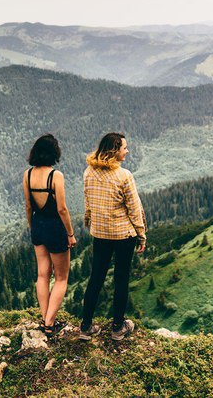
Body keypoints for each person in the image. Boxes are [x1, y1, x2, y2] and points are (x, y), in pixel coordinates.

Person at [79, 132, 147, 341]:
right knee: (121, 278)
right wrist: (141, 234)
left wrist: (90, 221)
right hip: (123, 235)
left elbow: (88, 201)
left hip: (100, 234)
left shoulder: (89, 172)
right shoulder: (124, 175)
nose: (127, 151)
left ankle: (86, 326)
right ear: (115, 150)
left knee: (96, 277)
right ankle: (118, 327)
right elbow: (134, 208)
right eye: (124, 148)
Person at [23, 133, 77, 339]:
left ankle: (45, 318)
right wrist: (70, 234)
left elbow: (29, 206)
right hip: (55, 227)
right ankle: (49, 324)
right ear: (55, 153)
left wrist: (33, 227)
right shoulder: (56, 176)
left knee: (42, 275)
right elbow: (62, 209)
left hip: (38, 225)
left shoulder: (27, 175)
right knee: (61, 278)